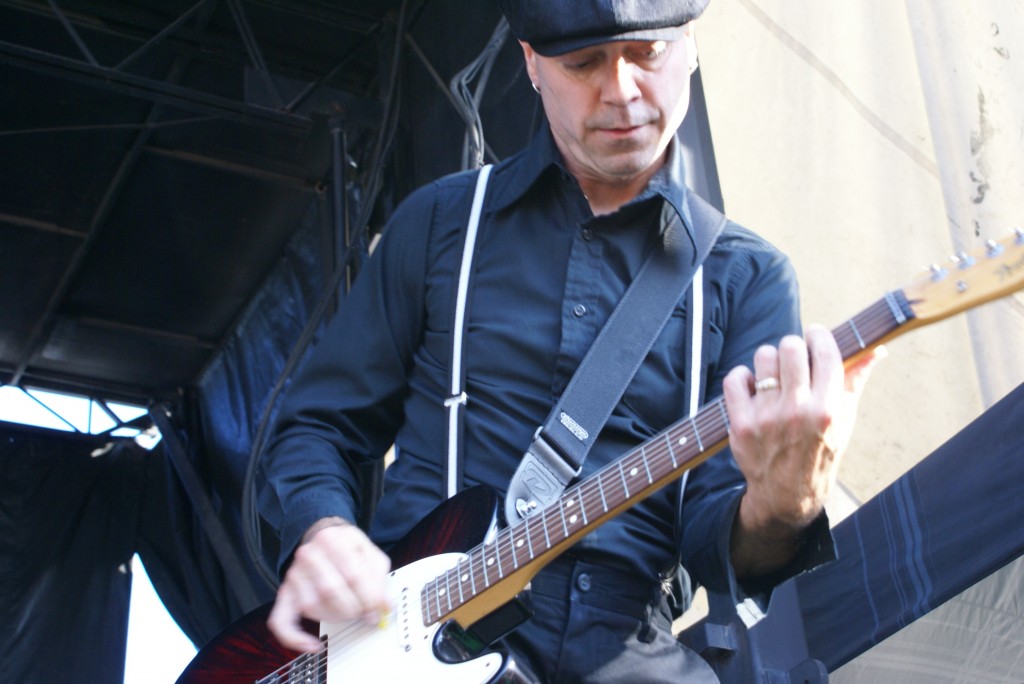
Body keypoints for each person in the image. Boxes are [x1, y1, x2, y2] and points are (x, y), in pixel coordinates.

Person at [257, 0, 880, 681]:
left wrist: (783, 503)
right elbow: (316, 426)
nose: (620, 91)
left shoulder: (748, 278)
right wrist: (323, 529)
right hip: (399, 644)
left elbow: (723, 551)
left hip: (628, 651)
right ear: (530, 63)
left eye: (649, 54)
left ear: (691, 45)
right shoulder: (438, 225)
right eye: (582, 63)